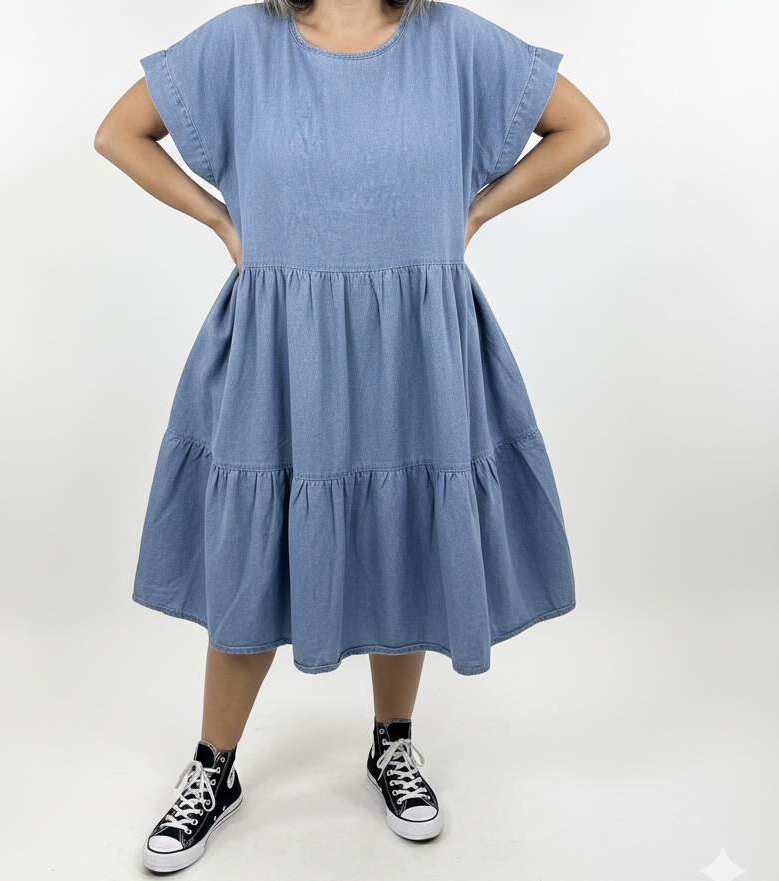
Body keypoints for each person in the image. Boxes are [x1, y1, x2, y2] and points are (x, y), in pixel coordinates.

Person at [95, 0, 609, 871]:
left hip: (415, 342)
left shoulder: (456, 43)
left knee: (404, 525)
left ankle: (392, 741)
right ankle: (214, 765)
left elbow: (583, 127)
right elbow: (119, 134)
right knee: (255, 546)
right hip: (282, 347)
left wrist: (476, 214)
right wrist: (220, 219)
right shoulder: (240, 45)